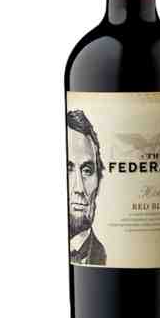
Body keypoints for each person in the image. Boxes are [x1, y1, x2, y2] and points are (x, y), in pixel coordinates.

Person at [66, 110, 107, 265]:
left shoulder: (103, 255)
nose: (79, 188)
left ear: (99, 181)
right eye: (68, 169)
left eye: (87, 171)